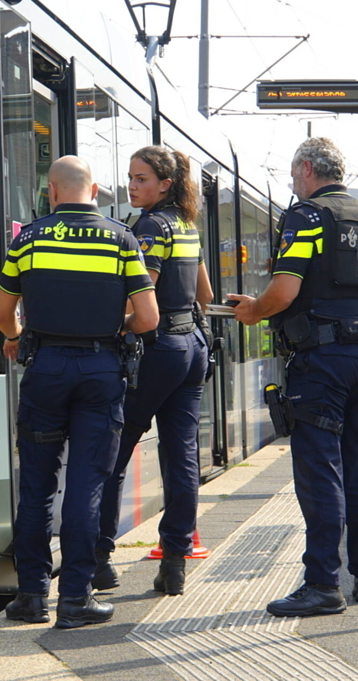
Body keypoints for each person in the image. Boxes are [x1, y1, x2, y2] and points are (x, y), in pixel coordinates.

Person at [228, 138, 358, 617]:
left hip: (322, 361)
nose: (291, 182)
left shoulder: (306, 216)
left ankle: (323, 584)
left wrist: (254, 312)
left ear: (305, 169)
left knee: (320, 471)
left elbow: (283, 292)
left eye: (291, 173)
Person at [0, 156, 159, 628]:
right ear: (95, 191)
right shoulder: (122, 239)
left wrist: (15, 335)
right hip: (99, 370)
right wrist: (113, 326)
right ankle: (74, 600)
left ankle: (30, 597)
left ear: (52, 192)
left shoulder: (27, 239)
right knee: (87, 485)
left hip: (44, 369)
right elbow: (148, 320)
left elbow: (4, 312)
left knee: (37, 488)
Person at [93, 146, 213, 597]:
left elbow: (142, 300)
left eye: (141, 179)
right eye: (130, 177)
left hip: (158, 349)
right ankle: (175, 562)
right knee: (181, 455)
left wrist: (109, 324)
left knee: (114, 450)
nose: (132, 185)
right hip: (192, 347)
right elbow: (205, 293)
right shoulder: (186, 226)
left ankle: (99, 559)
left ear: (165, 184)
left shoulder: (150, 227)